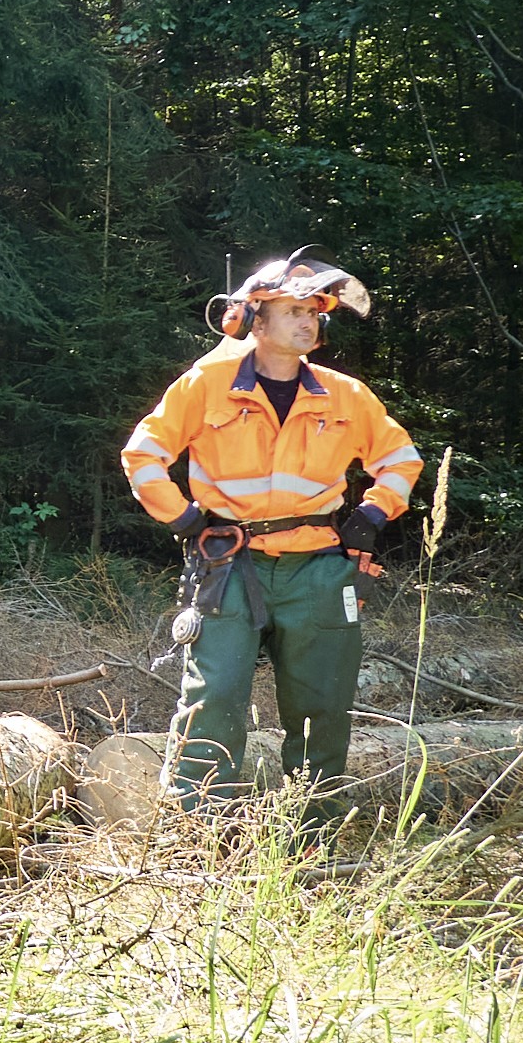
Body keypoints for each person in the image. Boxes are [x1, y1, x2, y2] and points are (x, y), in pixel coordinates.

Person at [120, 253, 422, 832]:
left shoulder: (345, 395)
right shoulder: (206, 386)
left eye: (314, 313)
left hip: (319, 569)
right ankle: (194, 838)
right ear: (256, 319)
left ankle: (316, 839)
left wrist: (372, 514)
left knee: (321, 711)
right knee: (213, 703)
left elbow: (401, 460)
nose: (307, 323)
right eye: (292, 311)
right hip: (231, 567)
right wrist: (185, 519)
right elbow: (143, 455)